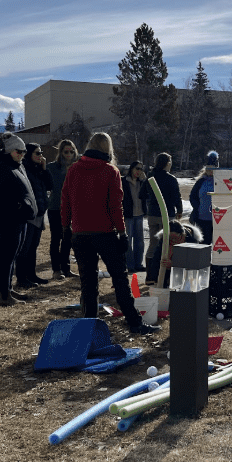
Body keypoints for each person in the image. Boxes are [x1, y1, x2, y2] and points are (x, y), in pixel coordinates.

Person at [60, 132, 159, 335]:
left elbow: (65, 201)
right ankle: (134, 322)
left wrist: (65, 228)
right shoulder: (109, 171)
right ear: (108, 149)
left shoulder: (74, 170)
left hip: (80, 234)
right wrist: (122, 233)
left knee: (88, 282)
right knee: (120, 280)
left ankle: (89, 327)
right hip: (105, 233)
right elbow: (116, 206)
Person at [0, 132, 37, 306]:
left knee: (13, 254)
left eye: (24, 151)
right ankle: (3, 296)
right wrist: (18, 205)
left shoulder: (17, 165)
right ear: (9, 151)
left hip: (19, 218)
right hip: (7, 218)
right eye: (19, 151)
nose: (22, 154)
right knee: (7, 256)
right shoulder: (2, 167)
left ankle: (7, 288)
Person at [139, 153, 183, 283]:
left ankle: (149, 277)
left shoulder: (150, 177)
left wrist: (150, 202)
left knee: (153, 245)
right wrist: (179, 210)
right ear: (167, 163)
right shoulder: (171, 179)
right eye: (170, 161)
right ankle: (163, 277)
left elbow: (141, 194)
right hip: (167, 215)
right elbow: (177, 196)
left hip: (152, 215)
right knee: (167, 245)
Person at [15, 142, 53, 288]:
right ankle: (21, 278)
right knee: (25, 248)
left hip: (39, 213)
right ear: (29, 154)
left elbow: (50, 186)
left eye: (41, 153)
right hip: (29, 214)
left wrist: (44, 169)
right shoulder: (24, 169)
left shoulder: (38, 169)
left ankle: (31, 275)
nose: (40, 156)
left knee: (33, 247)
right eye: (37, 153)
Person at [47, 139, 78, 279]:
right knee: (56, 239)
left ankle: (66, 269)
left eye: (72, 151)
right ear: (61, 152)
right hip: (55, 207)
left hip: (73, 209)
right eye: (66, 151)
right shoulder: (52, 167)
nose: (69, 154)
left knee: (68, 239)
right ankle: (56, 270)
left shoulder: (77, 167)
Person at [146, 219, 204, 287]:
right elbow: (156, 258)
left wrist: (174, 264)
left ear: (182, 235)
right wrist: (153, 277)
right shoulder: (163, 240)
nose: (173, 240)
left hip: (186, 272)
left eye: (175, 238)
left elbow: (193, 263)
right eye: (170, 238)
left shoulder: (191, 241)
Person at [122, 161, 147, 274]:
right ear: (131, 169)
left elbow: (149, 194)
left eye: (141, 169)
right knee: (128, 241)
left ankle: (138, 264)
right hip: (128, 215)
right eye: (137, 168)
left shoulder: (142, 182)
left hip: (139, 214)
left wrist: (145, 181)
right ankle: (130, 265)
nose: (139, 171)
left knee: (140, 241)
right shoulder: (124, 181)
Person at [191, 151, 219, 245]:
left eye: (213, 169)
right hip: (202, 218)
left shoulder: (220, 181)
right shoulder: (201, 181)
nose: (210, 171)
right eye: (209, 169)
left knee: (217, 244)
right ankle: (203, 260)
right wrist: (197, 207)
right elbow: (193, 196)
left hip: (218, 218)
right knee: (204, 243)